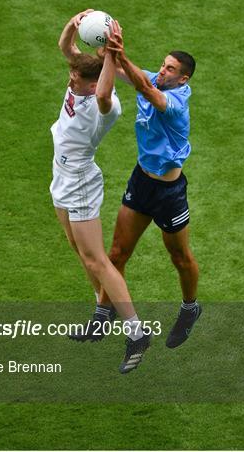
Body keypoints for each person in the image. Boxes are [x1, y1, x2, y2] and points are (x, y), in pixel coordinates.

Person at [76, 20, 202, 348]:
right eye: (162, 64)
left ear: (183, 78)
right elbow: (116, 66)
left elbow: (147, 90)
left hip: (169, 193)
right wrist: (102, 40)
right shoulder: (152, 77)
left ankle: (190, 308)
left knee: (179, 257)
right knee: (116, 253)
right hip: (141, 181)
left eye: (170, 69)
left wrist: (121, 55)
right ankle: (102, 317)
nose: (162, 71)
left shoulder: (176, 104)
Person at [50, 10, 151, 373]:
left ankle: (137, 333)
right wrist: (74, 24)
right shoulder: (81, 79)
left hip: (78, 181)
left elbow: (106, 90)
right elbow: (67, 49)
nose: (70, 77)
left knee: (98, 259)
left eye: (76, 76)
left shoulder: (102, 106)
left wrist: (111, 53)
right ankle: (101, 313)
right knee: (78, 248)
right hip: (60, 175)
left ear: (91, 84)